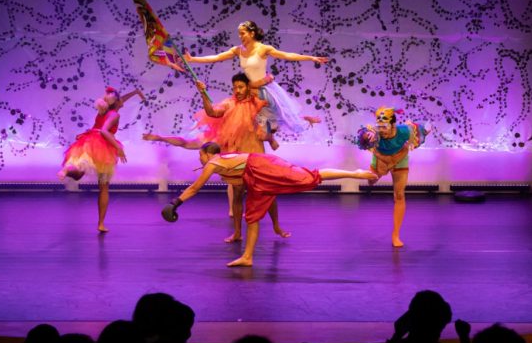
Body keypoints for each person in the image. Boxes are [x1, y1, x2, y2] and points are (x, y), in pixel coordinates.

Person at [161, 142, 377, 267]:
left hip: (262, 166)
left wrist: (175, 202)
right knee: (252, 215)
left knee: (309, 177)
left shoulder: (214, 162)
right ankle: (247, 257)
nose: (200, 159)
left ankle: (355, 173)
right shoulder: (224, 161)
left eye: (200, 155)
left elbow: (195, 188)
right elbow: (262, 193)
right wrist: (275, 225)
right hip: (256, 175)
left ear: (208, 154)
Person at [143, 73, 290, 241]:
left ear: (247, 87)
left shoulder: (256, 103)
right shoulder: (228, 104)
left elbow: (268, 118)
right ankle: (237, 233)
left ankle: (276, 226)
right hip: (237, 157)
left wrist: (270, 136)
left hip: (256, 156)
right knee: (237, 195)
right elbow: (212, 112)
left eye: (241, 87)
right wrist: (203, 93)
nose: (237, 90)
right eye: (235, 87)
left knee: (268, 194)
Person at [184, 20, 327, 149]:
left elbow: (287, 55)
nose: (240, 36)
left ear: (252, 33)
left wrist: (311, 58)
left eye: (243, 33)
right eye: (239, 34)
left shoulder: (263, 49)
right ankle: (265, 141)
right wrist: (193, 59)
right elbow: (217, 57)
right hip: (249, 91)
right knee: (250, 124)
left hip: (262, 91)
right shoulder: (238, 50)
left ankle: (285, 129)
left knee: (273, 121)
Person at [59, 86, 145, 232]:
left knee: (78, 174)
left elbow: (121, 100)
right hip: (102, 146)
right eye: (121, 100)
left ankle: (67, 169)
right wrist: (118, 148)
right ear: (116, 102)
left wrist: (136, 92)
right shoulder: (114, 115)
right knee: (104, 187)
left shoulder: (105, 111)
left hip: (89, 140)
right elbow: (105, 131)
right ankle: (101, 224)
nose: (123, 102)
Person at [356, 106, 429, 247]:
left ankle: (395, 235)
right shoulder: (375, 132)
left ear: (393, 124)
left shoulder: (404, 131)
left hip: (399, 159)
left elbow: (420, 130)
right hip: (381, 158)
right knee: (371, 182)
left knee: (399, 196)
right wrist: (368, 135)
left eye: (385, 127)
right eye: (379, 126)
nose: (381, 130)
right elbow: (364, 133)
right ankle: (374, 175)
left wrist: (424, 131)